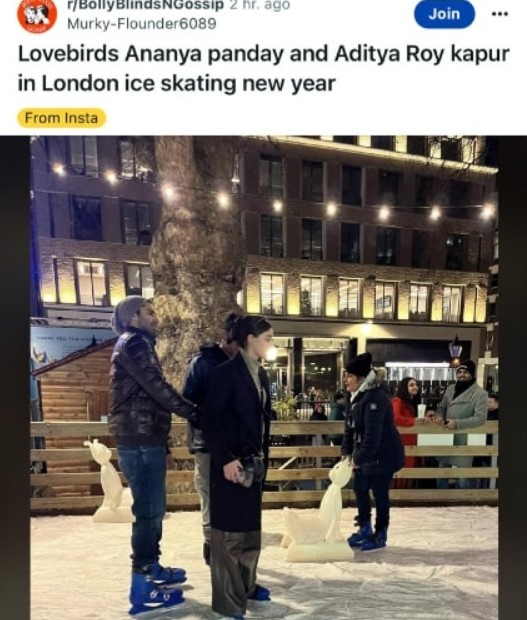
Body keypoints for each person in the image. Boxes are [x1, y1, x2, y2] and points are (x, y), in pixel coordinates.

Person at [108, 296, 199, 615]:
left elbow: (150, 392)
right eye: (149, 312)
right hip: (139, 437)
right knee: (148, 510)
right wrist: (194, 412)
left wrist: (165, 442)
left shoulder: (136, 343)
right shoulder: (133, 343)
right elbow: (156, 387)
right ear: (132, 318)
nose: (156, 316)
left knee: (154, 509)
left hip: (145, 436)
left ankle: (152, 566)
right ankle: (142, 584)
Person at [201, 315, 273, 619]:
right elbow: (210, 422)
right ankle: (228, 603)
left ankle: (244, 588)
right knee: (228, 536)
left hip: (253, 467)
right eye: (268, 337)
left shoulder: (262, 375)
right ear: (249, 338)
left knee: (249, 533)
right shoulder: (225, 374)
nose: (272, 343)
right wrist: (226, 459)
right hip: (231, 467)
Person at [182, 312, 241, 566]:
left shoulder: (240, 363)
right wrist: (210, 424)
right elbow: (188, 402)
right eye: (239, 342)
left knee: (231, 496)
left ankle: (229, 544)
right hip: (207, 444)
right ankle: (211, 544)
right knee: (209, 493)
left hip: (234, 444)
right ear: (226, 338)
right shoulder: (203, 363)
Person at [341, 352, 405, 552]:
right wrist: (347, 453)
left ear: (360, 378)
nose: (346, 380)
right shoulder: (356, 397)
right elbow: (349, 429)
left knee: (380, 493)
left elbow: (373, 436)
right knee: (360, 489)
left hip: (384, 455)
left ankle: (381, 532)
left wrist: (358, 458)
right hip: (367, 454)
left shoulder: (375, 398)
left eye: (349, 376)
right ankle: (364, 528)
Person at [432, 360, 488, 490]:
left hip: (465, 440)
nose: (462, 375)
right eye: (460, 372)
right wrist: (439, 415)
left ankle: (463, 506)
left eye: (466, 372)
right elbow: (442, 407)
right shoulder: (451, 389)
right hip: (446, 437)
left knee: (463, 477)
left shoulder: (481, 394)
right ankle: (439, 503)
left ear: (472, 374)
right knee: (442, 473)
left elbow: (480, 419)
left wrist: (457, 424)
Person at [391, 377, 432, 489]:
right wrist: (414, 421)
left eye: (416, 385)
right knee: (405, 469)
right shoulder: (397, 401)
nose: (415, 387)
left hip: (412, 441)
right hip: (402, 442)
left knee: (412, 469)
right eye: (411, 385)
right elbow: (395, 418)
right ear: (405, 387)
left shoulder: (411, 403)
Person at [473, 392, 499, 488]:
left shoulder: (496, 415)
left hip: (490, 446)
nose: (487, 404)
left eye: (490, 402)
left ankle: (486, 489)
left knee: (488, 469)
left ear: (497, 403)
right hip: (483, 445)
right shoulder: (485, 413)